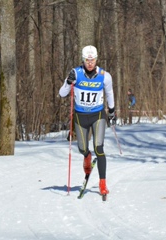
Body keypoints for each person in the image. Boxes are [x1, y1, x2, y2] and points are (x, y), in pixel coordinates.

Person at [59, 45, 116, 196]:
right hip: (80, 116)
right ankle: (86, 157)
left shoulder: (105, 75)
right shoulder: (75, 73)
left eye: (92, 60)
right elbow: (62, 93)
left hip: (97, 115)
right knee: (83, 148)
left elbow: (109, 93)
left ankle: (102, 183)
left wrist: (111, 110)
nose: (90, 63)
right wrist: (68, 82)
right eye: (87, 60)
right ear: (83, 60)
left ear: (97, 59)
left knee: (99, 147)